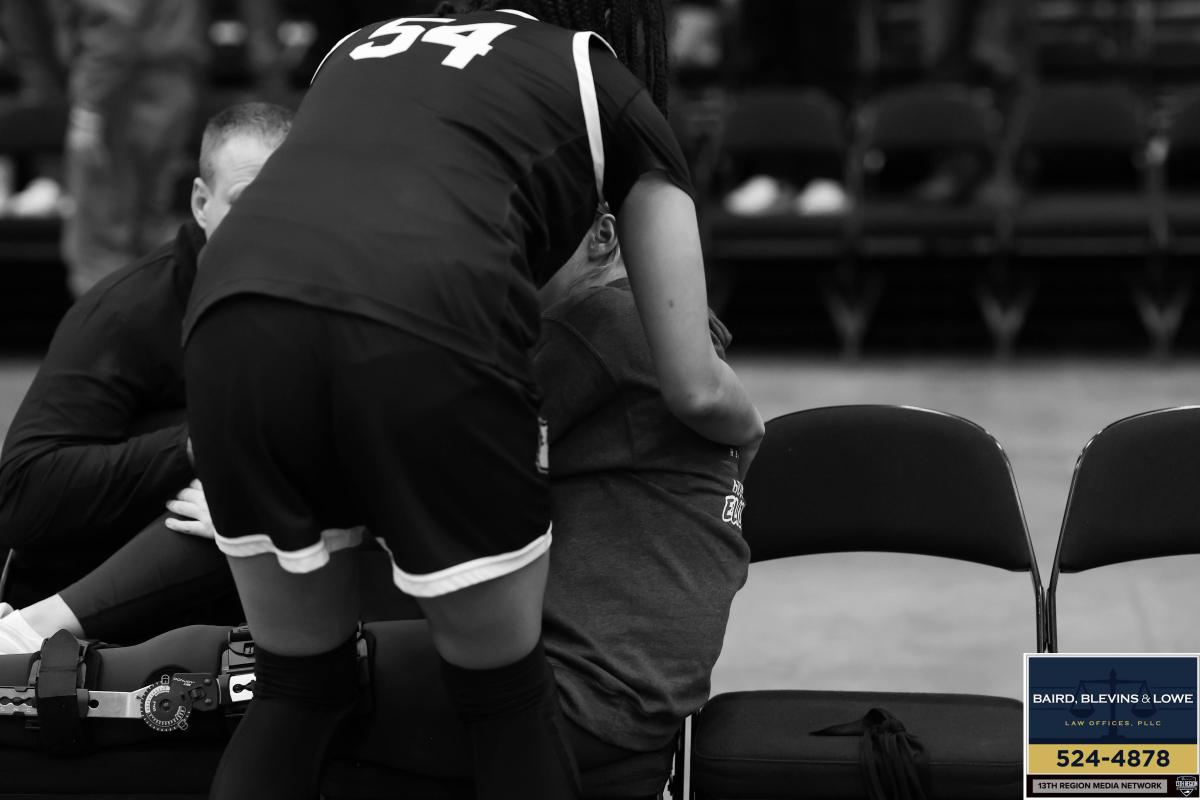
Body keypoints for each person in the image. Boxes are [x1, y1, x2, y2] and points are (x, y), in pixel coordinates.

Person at [181, 2, 764, 798]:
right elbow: (695, 383)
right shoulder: (598, 79)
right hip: (429, 319)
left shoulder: (357, 48)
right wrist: (749, 431)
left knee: (296, 686)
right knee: (506, 702)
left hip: (229, 308)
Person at [0, 212, 750, 797]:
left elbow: (397, 456)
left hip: (582, 693)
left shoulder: (603, 327)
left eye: (529, 236)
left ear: (604, 239)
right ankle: (34, 639)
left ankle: (28, 648)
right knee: (269, 553)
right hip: (601, 679)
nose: (501, 256)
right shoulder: (657, 336)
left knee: (224, 664)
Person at [0, 103, 295, 635]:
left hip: (268, 572)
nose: (270, 225)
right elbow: (22, 495)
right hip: (88, 592)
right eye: (246, 202)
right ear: (202, 203)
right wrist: (199, 446)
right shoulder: (127, 312)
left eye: (289, 201)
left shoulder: (334, 292)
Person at [55, 0, 209, 297]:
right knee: (149, 230)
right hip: (171, 79)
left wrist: (90, 105)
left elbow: (116, 23)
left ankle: (108, 327)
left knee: (102, 239)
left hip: (124, 91)